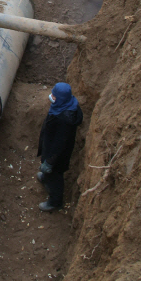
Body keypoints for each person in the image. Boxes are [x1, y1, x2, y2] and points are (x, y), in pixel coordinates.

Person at [37, 82, 83, 212]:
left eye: (54, 96)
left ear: (61, 99)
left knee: (55, 176)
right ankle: (45, 177)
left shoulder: (65, 120)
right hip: (51, 145)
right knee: (48, 171)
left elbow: (60, 144)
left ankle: (55, 202)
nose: (51, 97)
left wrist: (50, 162)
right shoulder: (66, 105)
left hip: (57, 155)